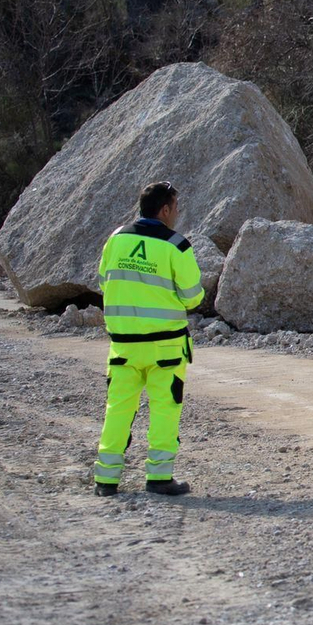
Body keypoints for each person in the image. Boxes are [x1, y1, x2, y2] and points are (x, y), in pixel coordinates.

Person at [92, 181, 202, 496]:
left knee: (118, 410)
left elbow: (104, 280)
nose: (177, 214)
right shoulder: (177, 245)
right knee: (165, 410)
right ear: (165, 210)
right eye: (176, 208)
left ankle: (106, 480)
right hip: (165, 347)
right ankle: (159, 478)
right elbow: (192, 297)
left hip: (123, 345)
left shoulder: (116, 239)